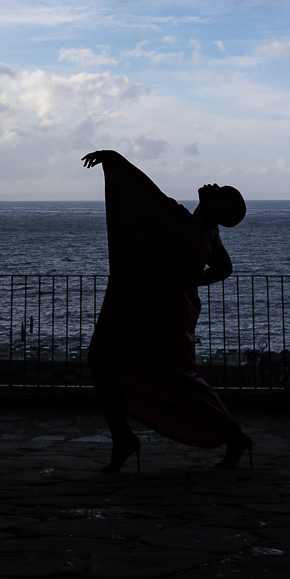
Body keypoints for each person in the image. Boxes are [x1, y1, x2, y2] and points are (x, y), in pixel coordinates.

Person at [82, 149, 253, 472]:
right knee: (169, 376)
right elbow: (224, 269)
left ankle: (230, 436)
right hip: (170, 310)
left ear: (219, 208)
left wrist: (115, 160)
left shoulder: (185, 223)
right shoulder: (206, 231)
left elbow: (144, 196)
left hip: (156, 313)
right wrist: (188, 282)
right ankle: (126, 439)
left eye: (222, 191)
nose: (214, 185)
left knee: (151, 372)